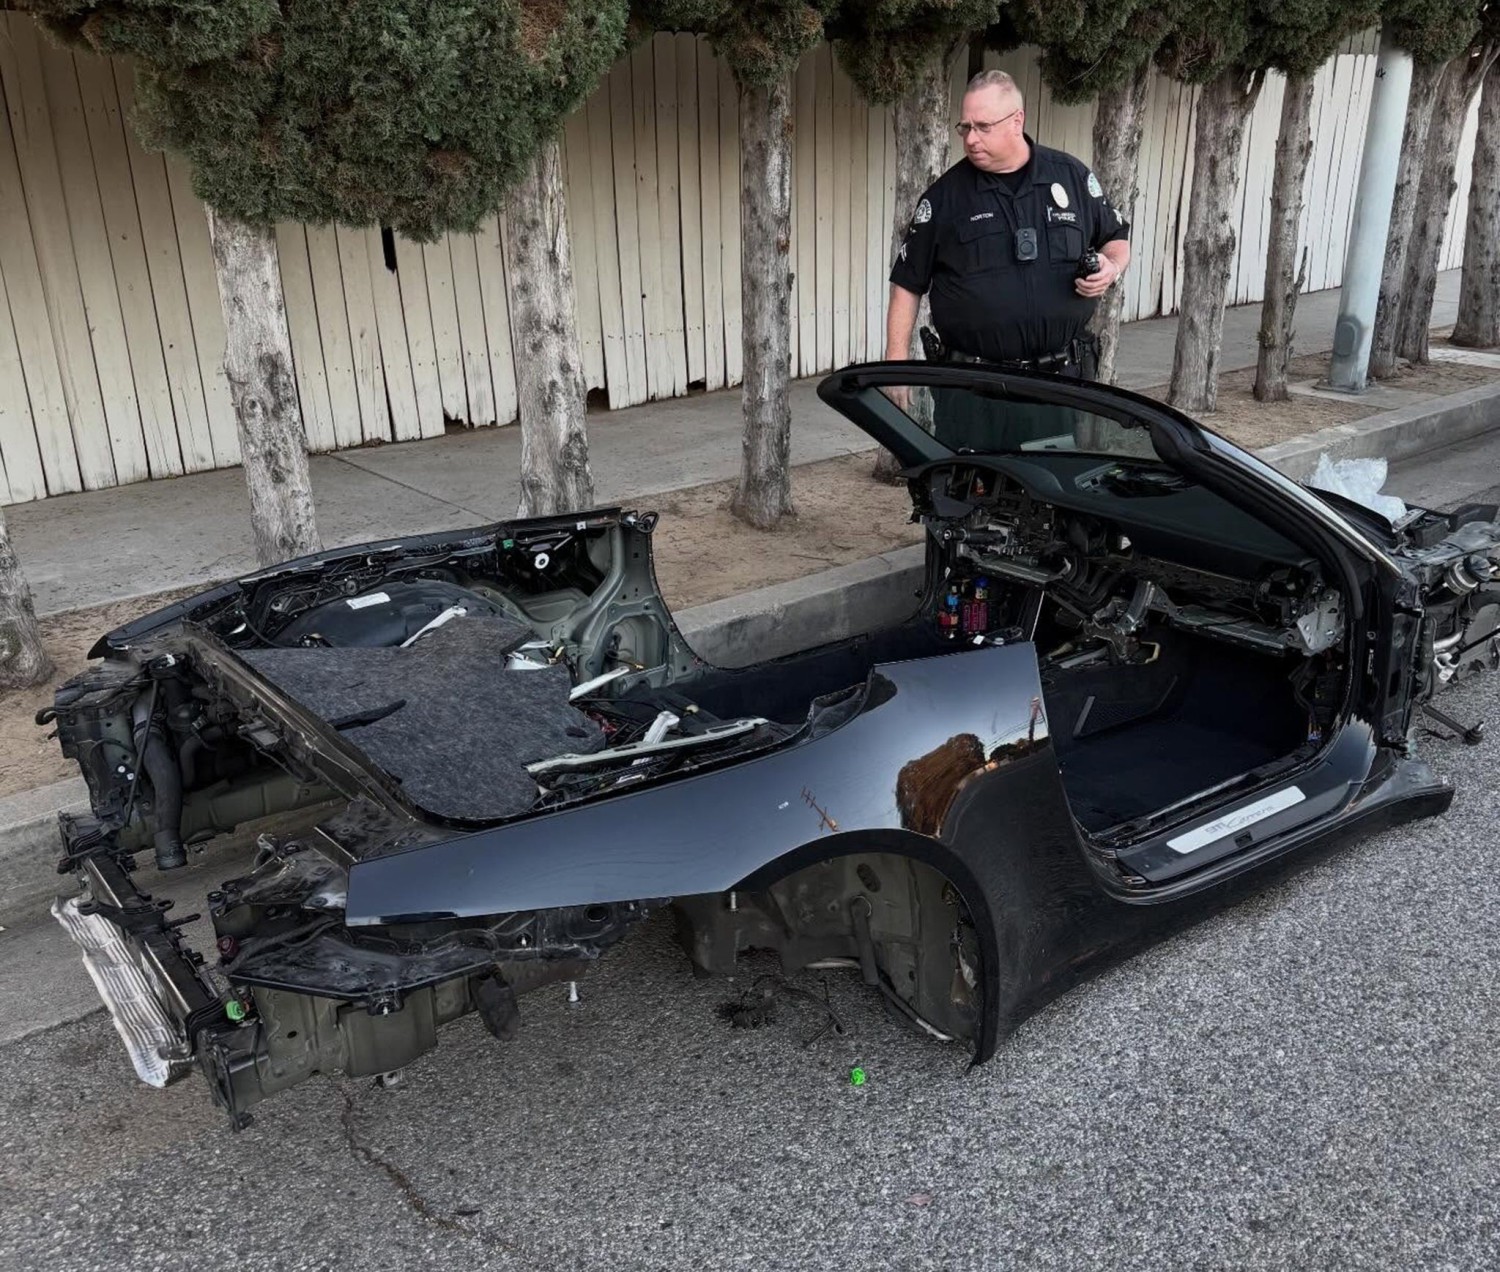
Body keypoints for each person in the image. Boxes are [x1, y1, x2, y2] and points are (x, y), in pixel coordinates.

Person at [885, 70, 1131, 448]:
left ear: (1017, 120)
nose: (970, 138)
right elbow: (908, 282)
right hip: (973, 394)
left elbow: (1116, 237)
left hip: (1058, 387)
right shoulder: (945, 198)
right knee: (969, 498)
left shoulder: (1070, 178)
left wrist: (1111, 267)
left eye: (982, 126)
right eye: (964, 127)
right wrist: (896, 363)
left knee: (1053, 496)